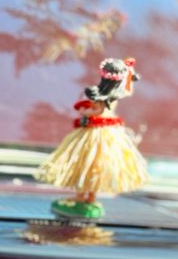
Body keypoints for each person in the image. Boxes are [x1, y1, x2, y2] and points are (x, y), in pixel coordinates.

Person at [35, 57, 149, 218]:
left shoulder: (101, 96)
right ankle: (89, 197)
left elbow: (97, 111)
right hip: (107, 134)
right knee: (94, 167)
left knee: (86, 165)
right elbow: (127, 88)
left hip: (96, 135)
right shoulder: (116, 94)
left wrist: (85, 112)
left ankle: (83, 197)